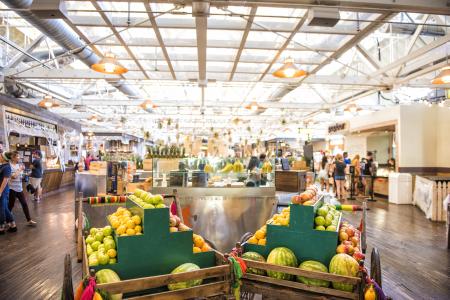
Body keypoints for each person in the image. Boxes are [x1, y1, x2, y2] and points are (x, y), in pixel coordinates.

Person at [8, 151, 36, 226]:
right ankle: (6, 220)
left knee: (24, 204)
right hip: (12, 188)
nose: (19, 157)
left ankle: (29, 220)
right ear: (13, 157)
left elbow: (21, 176)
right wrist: (20, 170)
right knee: (10, 206)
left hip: (19, 188)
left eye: (19, 156)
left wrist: (25, 175)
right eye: (17, 156)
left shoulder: (19, 165)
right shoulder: (9, 166)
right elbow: (13, 177)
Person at [0, 152, 16, 234]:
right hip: (1, 190)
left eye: (0, 155)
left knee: (2, 208)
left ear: (3, 158)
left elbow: (5, 180)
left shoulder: (7, 167)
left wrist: (0, 191)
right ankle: (13, 225)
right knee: (5, 208)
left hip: (3, 190)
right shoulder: (2, 165)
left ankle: (1, 227)